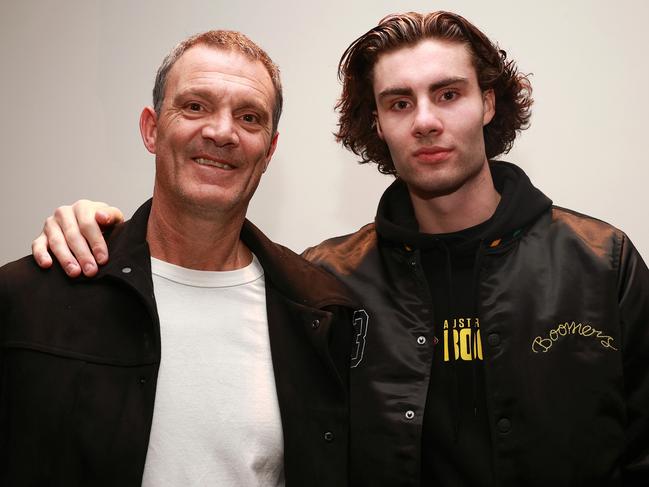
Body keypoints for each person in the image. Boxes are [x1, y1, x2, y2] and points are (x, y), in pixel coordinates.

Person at [29, 11, 649, 487]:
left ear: (488, 102)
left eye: (449, 93)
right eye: (399, 103)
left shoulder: (604, 263)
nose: (425, 121)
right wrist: (95, 226)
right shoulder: (322, 285)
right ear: (377, 123)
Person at [0, 30, 357, 487]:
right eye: (195, 106)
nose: (221, 132)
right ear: (152, 129)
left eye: (249, 118)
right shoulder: (35, 296)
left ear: (268, 150)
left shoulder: (319, 314)